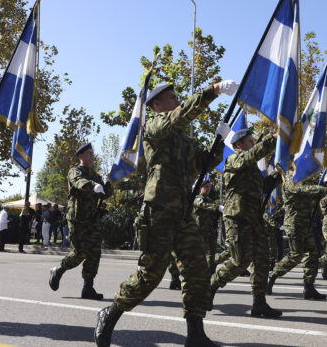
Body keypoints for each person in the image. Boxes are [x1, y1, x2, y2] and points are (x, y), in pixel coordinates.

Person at [94, 80, 237, 347]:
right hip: (158, 210)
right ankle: (110, 313)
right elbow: (178, 117)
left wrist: (219, 142)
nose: (177, 101)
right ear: (157, 104)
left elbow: (200, 164)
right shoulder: (154, 126)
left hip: (182, 213)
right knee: (151, 274)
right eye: (172, 98)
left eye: (176, 97)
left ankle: (195, 334)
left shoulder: (183, 137)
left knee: (197, 270)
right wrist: (212, 90)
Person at [208, 129, 282, 318]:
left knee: (262, 260)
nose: (253, 144)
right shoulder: (233, 160)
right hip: (238, 218)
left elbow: (259, 188)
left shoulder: (252, 169)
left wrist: (274, 179)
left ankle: (259, 303)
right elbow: (253, 154)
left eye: (254, 141)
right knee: (240, 261)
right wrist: (270, 140)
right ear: (239, 145)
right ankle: (213, 285)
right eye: (250, 141)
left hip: (254, 219)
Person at [49, 143, 113, 301]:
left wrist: (109, 183)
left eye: (93, 153)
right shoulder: (74, 171)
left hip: (92, 219)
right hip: (77, 219)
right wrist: (94, 185)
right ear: (81, 156)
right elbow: (80, 183)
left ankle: (88, 288)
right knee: (80, 252)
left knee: (94, 252)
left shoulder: (95, 175)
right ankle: (58, 270)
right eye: (90, 153)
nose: (93, 156)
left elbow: (104, 194)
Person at [267, 166, 327, 300]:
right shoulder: (290, 181)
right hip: (294, 225)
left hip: (305, 225)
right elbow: (302, 190)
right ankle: (273, 274)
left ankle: (309, 287)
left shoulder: (301, 181)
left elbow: (310, 196)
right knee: (295, 256)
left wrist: (324, 188)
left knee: (313, 255)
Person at [192, 177, 222, 276]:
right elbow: (204, 205)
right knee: (199, 255)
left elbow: (213, 214)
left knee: (211, 254)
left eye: (209, 187)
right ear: (200, 188)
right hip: (199, 231)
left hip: (210, 231)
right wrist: (217, 208)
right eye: (206, 187)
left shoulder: (210, 200)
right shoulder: (197, 199)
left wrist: (219, 212)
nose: (208, 189)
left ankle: (208, 274)